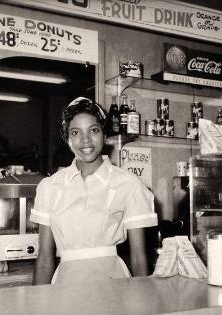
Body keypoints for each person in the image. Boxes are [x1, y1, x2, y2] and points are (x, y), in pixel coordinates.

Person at [31, 97, 157, 286]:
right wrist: (37, 308)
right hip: (66, 285)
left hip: (114, 284)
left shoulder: (129, 184)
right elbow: (44, 259)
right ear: (67, 139)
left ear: (104, 136)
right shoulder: (49, 187)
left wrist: (141, 304)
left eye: (94, 130)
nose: (86, 140)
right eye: (75, 132)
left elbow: (139, 257)